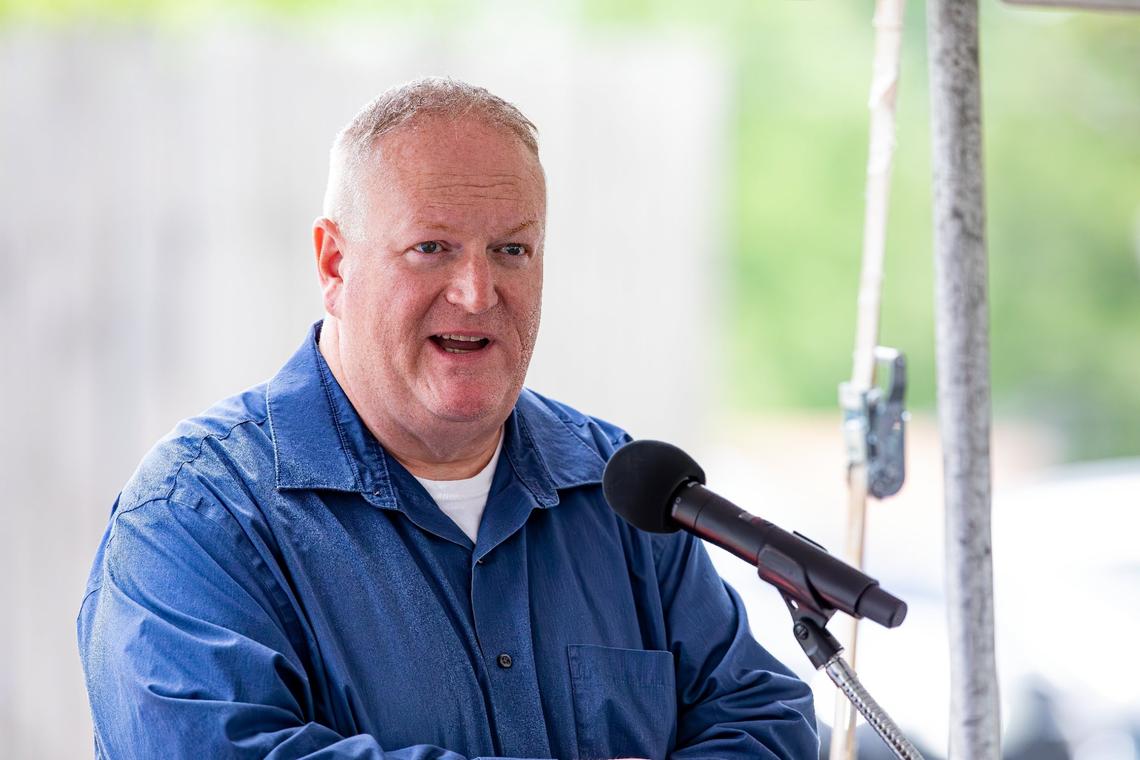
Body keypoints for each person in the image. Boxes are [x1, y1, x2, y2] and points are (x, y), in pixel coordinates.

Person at [78, 78, 818, 759]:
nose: (476, 291)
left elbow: (766, 722)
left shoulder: (622, 493)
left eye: (512, 250)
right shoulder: (194, 519)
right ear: (335, 264)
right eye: (432, 248)